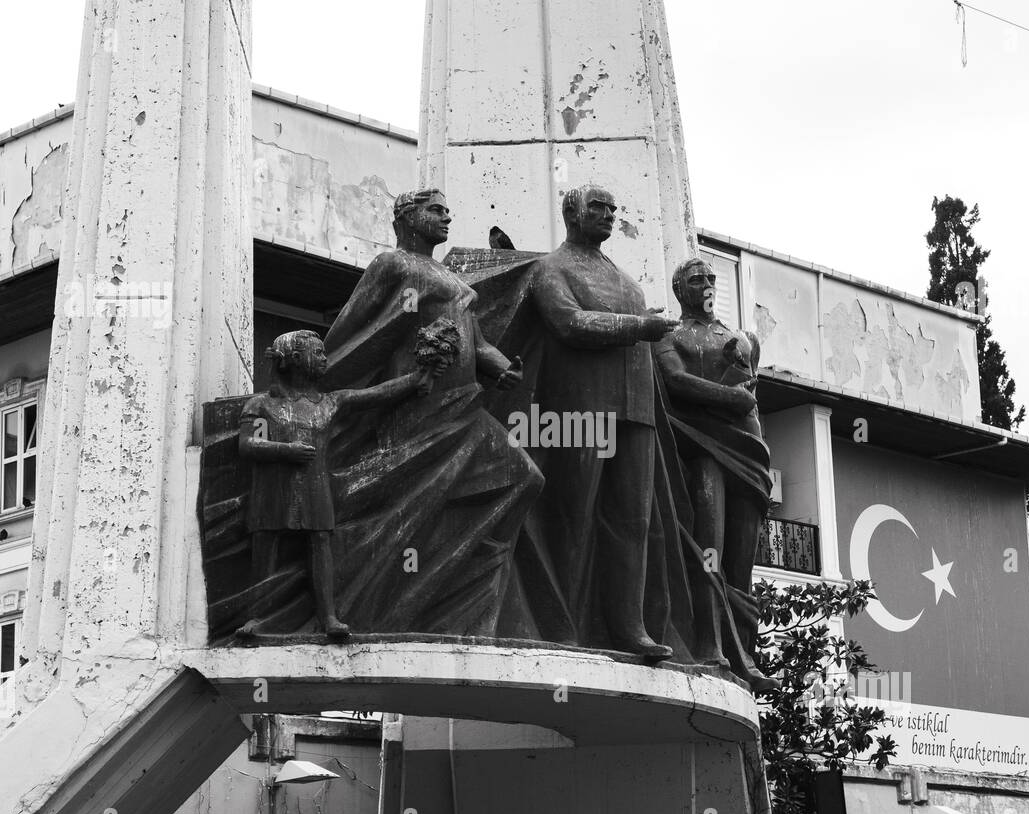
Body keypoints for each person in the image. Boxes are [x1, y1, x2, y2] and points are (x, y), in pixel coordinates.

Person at [319, 188, 542, 636]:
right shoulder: (393, 265)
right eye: (436, 210)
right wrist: (316, 373)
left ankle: (462, 580)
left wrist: (499, 366)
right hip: (417, 406)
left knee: (524, 479)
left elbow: (474, 340)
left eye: (447, 210)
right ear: (406, 217)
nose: (446, 217)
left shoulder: (446, 275)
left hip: (462, 406)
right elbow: (354, 326)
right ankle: (390, 590)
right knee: (410, 502)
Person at [524, 184, 681, 658]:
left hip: (636, 411)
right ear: (572, 212)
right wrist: (640, 327)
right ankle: (563, 624)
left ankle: (628, 626)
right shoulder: (552, 268)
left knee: (634, 520)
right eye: (599, 207)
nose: (610, 215)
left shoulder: (626, 278)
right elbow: (568, 322)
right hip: (581, 409)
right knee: (575, 515)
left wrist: (646, 326)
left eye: (614, 209)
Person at [236, 329, 432, 640]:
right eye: (318, 353)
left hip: (315, 486)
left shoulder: (329, 403)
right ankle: (259, 616)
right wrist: (285, 451)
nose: (325, 358)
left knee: (321, 543)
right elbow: (247, 445)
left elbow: (375, 395)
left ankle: (328, 615)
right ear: (296, 360)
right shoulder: (261, 405)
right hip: (273, 490)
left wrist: (415, 379)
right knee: (266, 544)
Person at [655, 258, 778, 691]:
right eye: (695, 279)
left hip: (749, 451)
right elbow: (676, 383)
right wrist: (730, 398)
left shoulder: (743, 338)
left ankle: (746, 653)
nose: (705, 284)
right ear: (679, 289)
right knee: (709, 545)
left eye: (710, 278)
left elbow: (752, 392)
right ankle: (709, 645)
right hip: (701, 445)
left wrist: (737, 394)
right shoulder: (669, 335)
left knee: (741, 562)